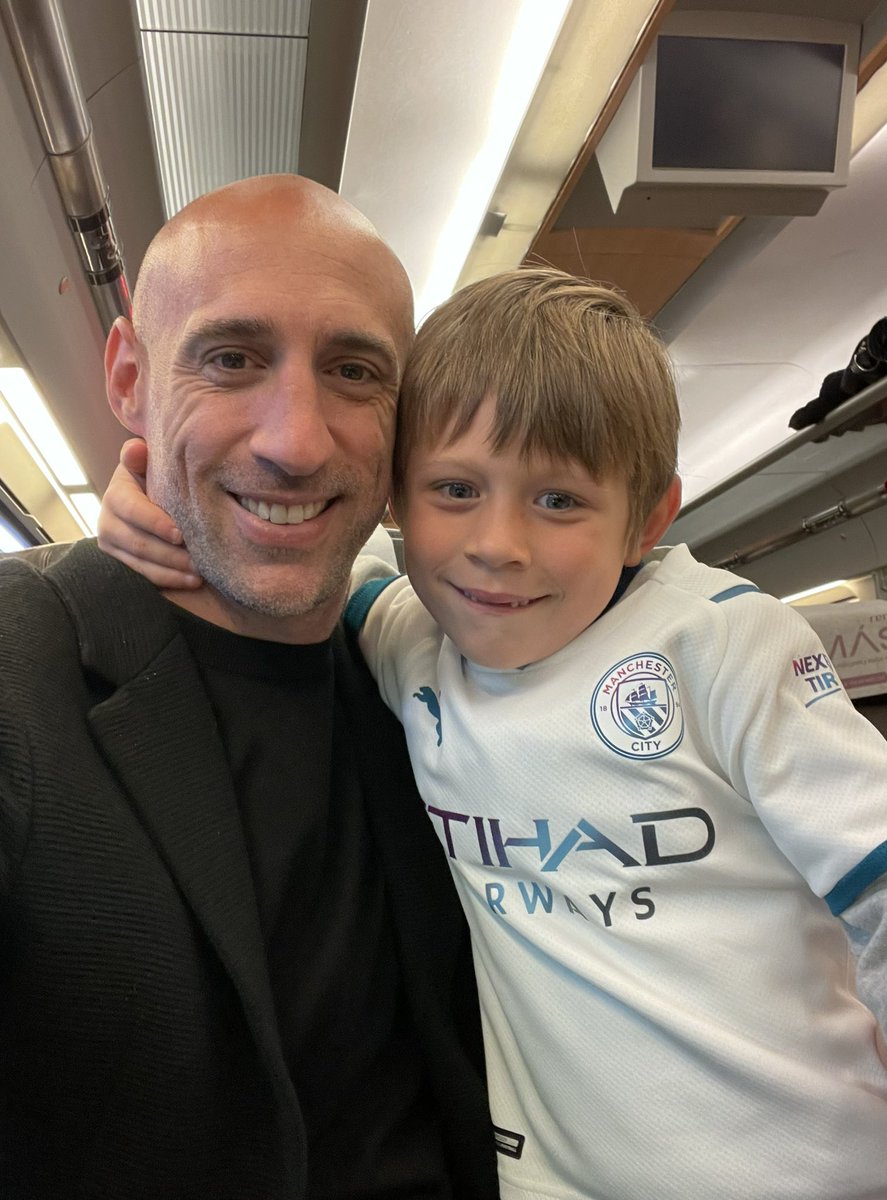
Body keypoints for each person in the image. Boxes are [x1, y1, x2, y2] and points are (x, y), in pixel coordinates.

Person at [102, 266, 887, 1200]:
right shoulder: (407, 639)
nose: (497, 546)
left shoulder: (720, 643)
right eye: (454, 490)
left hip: (810, 1170)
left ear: (648, 519)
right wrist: (160, 500)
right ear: (397, 498)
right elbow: (324, 554)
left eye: (559, 501)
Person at [0, 174, 500, 1200]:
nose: (296, 442)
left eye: (354, 371)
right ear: (130, 378)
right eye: (231, 359)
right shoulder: (19, 669)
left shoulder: (439, 672)